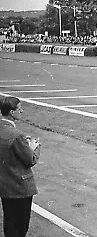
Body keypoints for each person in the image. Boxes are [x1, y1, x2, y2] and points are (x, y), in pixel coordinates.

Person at [0, 96, 41, 237]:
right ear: (12, 112)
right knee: (20, 225)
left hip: (4, 185)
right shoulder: (17, 136)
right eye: (19, 109)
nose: (21, 111)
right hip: (20, 187)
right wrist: (34, 147)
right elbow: (30, 160)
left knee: (9, 221)